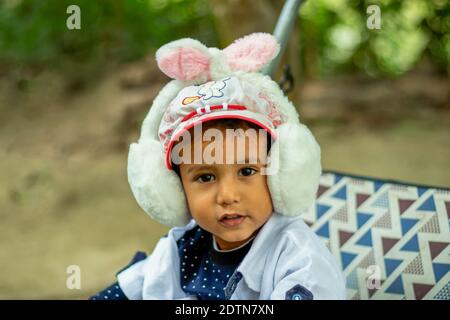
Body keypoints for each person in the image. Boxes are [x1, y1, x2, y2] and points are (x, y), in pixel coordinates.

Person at [90, 33, 346, 300]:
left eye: (247, 171)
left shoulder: (300, 263)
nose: (227, 196)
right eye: (205, 177)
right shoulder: (182, 249)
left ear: (279, 174)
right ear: (176, 190)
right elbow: (128, 290)